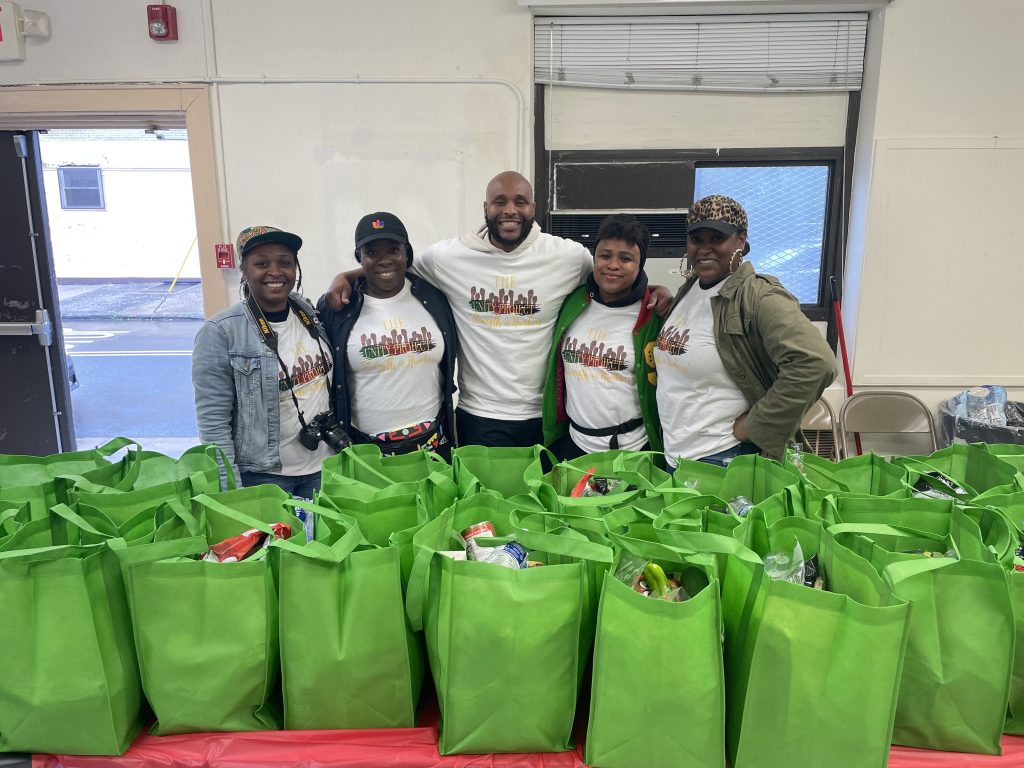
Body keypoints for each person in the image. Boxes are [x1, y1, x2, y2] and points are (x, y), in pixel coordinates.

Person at [326, 171, 673, 448]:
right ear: (485, 208)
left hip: (545, 416)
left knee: (540, 508)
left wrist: (652, 290)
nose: (510, 210)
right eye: (499, 201)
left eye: (520, 201)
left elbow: (611, 276)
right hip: (479, 414)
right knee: (486, 509)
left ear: (533, 207)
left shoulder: (567, 257)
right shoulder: (448, 257)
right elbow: (392, 267)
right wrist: (347, 276)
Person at [654, 195, 836, 468]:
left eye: (717, 238)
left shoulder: (759, 296)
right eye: (696, 239)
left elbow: (816, 363)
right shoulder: (690, 289)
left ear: (740, 240)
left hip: (724, 456)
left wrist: (756, 425)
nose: (704, 249)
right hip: (677, 452)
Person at [192, 225, 338, 498]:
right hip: (265, 478)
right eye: (261, 263)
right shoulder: (221, 332)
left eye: (285, 262)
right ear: (244, 271)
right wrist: (231, 493)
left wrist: (345, 275)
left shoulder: (306, 311)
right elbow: (213, 425)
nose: (275, 272)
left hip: (324, 468)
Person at [317, 212, 457, 460]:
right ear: (360, 257)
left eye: (394, 250)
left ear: (406, 254)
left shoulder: (433, 297)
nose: (384, 260)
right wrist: (343, 277)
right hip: (367, 452)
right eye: (372, 252)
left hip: (433, 445)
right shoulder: (339, 308)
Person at [542, 214, 663, 460]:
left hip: (631, 450)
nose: (613, 265)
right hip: (573, 443)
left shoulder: (653, 316)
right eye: (605, 256)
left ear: (640, 264)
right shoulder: (573, 303)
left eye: (626, 258)